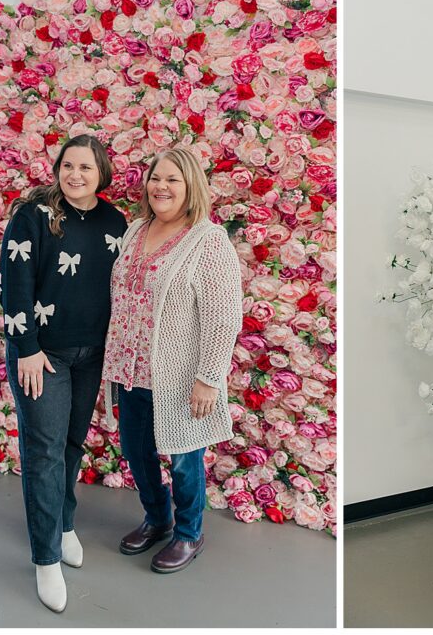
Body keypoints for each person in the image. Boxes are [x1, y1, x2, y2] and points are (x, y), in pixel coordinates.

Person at [0, 134, 127, 613]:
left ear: (101, 174)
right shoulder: (32, 217)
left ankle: (64, 523)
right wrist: (26, 349)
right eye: (68, 165)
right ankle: (46, 557)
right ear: (57, 169)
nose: (75, 175)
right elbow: (13, 285)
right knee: (45, 451)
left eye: (86, 168)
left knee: (73, 443)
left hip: (91, 354)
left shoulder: (116, 222)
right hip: (42, 357)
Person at [102, 146, 242, 574]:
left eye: (172, 180)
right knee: (136, 451)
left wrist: (208, 378)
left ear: (190, 187)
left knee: (183, 459)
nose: (161, 187)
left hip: (179, 374)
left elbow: (224, 316)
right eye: (156, 178)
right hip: (130, 368)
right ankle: (157, 517)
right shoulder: (136, 230)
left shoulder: (207, 240)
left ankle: (188, 533)